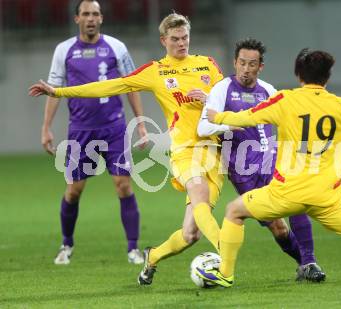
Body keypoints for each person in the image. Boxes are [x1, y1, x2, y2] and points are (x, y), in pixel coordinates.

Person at [195, 49, 341, 295]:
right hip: (327, 197)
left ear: (299, 74)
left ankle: (225, 275)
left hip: (286, 193)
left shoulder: (285, 100)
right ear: (327, 77)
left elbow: (248, 117)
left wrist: (218, 115)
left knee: (234, 211)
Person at [29, 13, 225, 285]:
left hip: (213, 152)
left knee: (190, 234)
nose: (182, 43)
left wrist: (211, 100)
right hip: (184, 151)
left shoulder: (207, 65)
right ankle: (226, 255)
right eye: (175, 39)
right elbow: (109, 86)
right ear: (163, 40)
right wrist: (60, 92)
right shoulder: (155, 71)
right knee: (198, 193)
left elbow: (228, 102)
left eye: (185, 38)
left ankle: (152, 257)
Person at [197, 38, 324, 282]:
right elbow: (203, 126)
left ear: (260, 67)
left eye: (252, 64)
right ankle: (302, 263)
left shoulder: (268, 90)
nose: (246, 68)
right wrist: (229, 125)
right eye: (242, 63)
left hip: (272, 159)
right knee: (277, 226)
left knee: (296, 201)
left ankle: (310, 262)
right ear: (235, 63)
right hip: (243, 170)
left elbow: (289, 119)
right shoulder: (222, 89)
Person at [39, 0, 147, 265]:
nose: (91, 18)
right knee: (74, 190)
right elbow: (54, 90)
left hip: (114, 128)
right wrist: (46, 128)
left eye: (95, 14)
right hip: (80, 130)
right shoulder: (64, 50)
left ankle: (133, 248)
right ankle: (66, 244)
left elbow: (131, 85)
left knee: (123, 185)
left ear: (101, 18)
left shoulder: (116, 47)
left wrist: (141, 123)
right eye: (85, 14)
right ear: (77, 19)